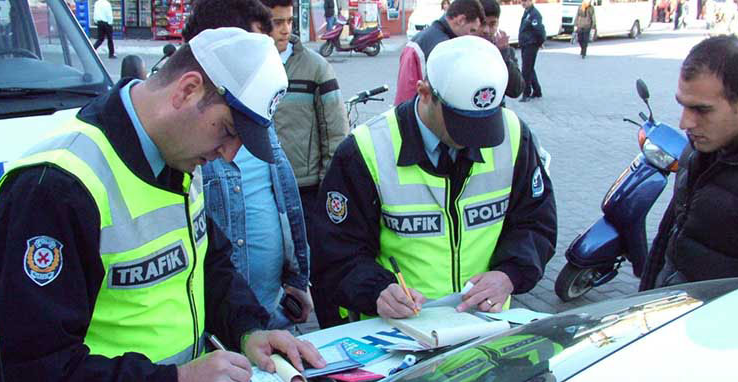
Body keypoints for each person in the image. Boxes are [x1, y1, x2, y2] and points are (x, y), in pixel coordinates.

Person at [0, 28, 325, 382]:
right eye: (229, 131)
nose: (228, 154)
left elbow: (207, 264)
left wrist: (248, 329)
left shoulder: (179, 153)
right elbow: (34, 374)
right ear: (187, 90)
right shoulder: (54, 187)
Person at [311, 36, 556, 322]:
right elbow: (336, 250)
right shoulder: (366, 150)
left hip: (485, 323)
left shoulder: (513, 136)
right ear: (424, 92)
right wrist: (377, 290)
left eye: (484, 123)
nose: (472, 139)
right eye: (460, 123)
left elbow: (536, 221)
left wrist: (509, 275)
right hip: (399, 328)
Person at [182, 0, 314, 331]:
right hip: (221, 329)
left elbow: (283, 196)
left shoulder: (252, 109)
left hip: (270, 312)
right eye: (252, 53)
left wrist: (297, 276)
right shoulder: (187, 144)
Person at [639, 35, 738, 291]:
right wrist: (644, 299)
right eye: (683, 106)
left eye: (701, 110)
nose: (685, 123)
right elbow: (667, 236)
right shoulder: (699, 146)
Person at [258, 0, 348, 328]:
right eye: (276, 22)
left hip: (306, 190)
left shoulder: (315, 67)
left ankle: (334, 334)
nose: (285, 29)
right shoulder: (250, 66)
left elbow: (335, 132)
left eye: (289, 21)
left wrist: (328, 187)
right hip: (262, 190)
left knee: (320, 269)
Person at [393, 0, 485, 105]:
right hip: (421, 110)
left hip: (407, 108)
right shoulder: (444, 47)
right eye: (472, 30)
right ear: (461, 20)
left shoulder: (422, 38)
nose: (471, 36)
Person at [479, 0, 524, 99]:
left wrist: (503, 55)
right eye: (482, 24)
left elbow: (516, 91)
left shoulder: (505, 51)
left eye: (492, 24)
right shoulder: (463, 47)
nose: (487, 30)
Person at [518, 0, 545, 102]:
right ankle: (537, 91)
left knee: (526, 70)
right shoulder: (527, 12)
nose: (523, 3)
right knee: (529, 68)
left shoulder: (534, 14)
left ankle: (526, 93)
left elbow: (539, 30)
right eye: (521, 1)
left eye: (525, 1)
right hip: (525, 44)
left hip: (531, 44)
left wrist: (540, 42)